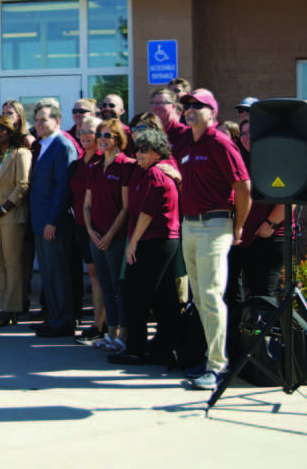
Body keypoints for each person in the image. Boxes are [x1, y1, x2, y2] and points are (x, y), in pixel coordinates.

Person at [172, 88, 251, 391]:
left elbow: (243, 187)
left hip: (216, 223)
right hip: (190, 226)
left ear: (212, 112)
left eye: (197, 105)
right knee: (200, 297)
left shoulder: (220, 142)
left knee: (210, 295)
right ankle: (210, 358)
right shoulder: (184, 143)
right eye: (187, 104)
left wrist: (238, 227)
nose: (190, 108)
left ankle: (218, 365)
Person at [110, 129, 182, 366]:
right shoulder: (146, 173)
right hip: (157, 240)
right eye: (137, 149)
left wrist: (132, 244)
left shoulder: (155, 176)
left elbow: (147, 214)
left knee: (136, 295)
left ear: (157, 152)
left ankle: (136, 350)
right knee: (162, 296)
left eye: (144, 150)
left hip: (154, 240)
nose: (138, 154)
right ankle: (162, 346)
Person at [28, 100, 79, 337]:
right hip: (40, 222)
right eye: (36, 120)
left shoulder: (63, 146)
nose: (39, 124)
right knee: (48, 273)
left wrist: (53, 221)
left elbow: (63, 188)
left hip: (54, 223)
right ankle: (54, 317)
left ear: (57, 121)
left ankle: (64, 321)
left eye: (44, 119)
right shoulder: (43, 145)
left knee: (59, 274)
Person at [82, 118, 133, 351]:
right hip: (96, 237)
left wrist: (110, 235)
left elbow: (125, 207)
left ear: (118, 139)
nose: (102, 139)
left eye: (107, 135)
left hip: (117, 238)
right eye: (99, 134)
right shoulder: (95, 167)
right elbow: (86, 205)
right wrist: (92, 232)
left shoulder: (125, 166)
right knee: (104, 285)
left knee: (119, 287)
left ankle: (124, 334)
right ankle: (110, 333)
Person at [225, 118, 286, 310]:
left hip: (268, 236)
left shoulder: (277, 161)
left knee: (262, 296)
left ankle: (264, 338)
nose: (246, 137)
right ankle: (236, 337)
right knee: (231, 292)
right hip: (240, 236)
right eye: (243, 133)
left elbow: (289, 200)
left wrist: (270, 224)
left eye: (252, 133)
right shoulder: (240, 160)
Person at [0, 115, 31, 327]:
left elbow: (23, 185)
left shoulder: (21, 153)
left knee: (12, 263)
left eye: (1, 129)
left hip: (10, 215)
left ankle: (13, 308)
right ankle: (4, 306)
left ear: (11, 131)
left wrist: (2, 208)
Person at [70, 115, 104, 343]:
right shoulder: (79, 161)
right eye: (81, 131)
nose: (84, 135)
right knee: (93, 275)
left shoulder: (103, 161)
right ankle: (98, 323)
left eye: (89, 131)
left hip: (100, 227)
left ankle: (101, 325)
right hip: (81, 226)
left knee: (100, 276)